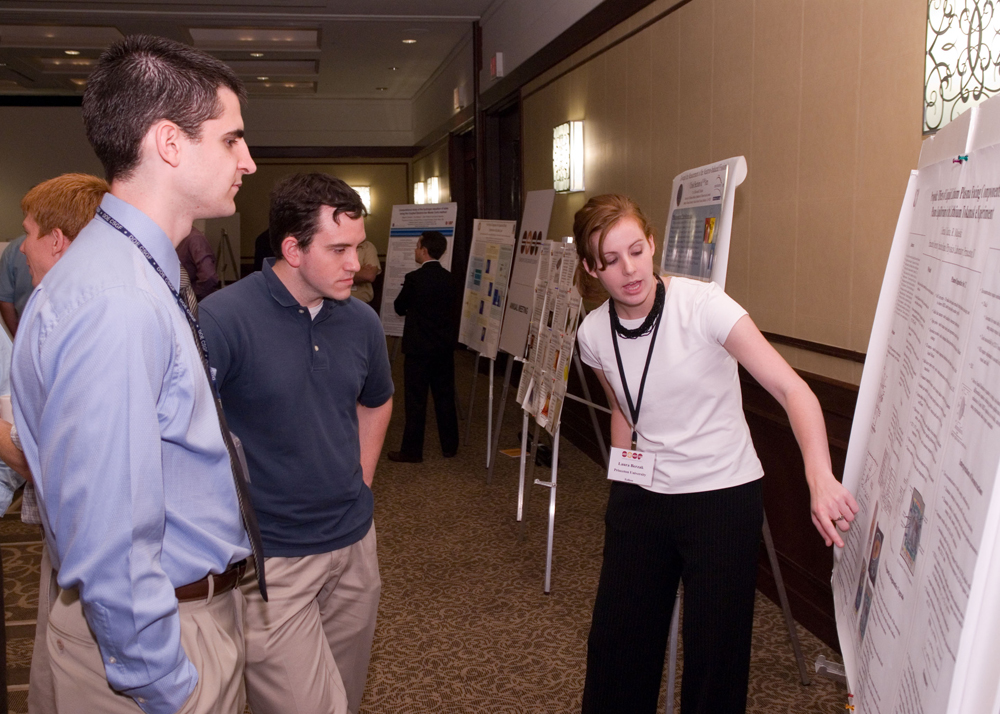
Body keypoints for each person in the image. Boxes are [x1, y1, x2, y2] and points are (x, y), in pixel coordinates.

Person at [10, 35, 265, 714]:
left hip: (182, 621)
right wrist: (168, 686)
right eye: (232, 139)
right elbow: (110, 537)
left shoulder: (136, 267)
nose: (248, 160)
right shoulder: (117, 299)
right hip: (154, 655)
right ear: (169, 144)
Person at [572, 194, 858, 714]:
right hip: (642, 497)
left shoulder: (705, 306)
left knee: (715, 658)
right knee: (618, 646)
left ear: (652, 243)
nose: (629, 269)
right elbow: (624, 410)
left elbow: (795, 392)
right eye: (610, 261)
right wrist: (623, 486)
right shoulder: (592, 335)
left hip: (721, 498)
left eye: (636, 250)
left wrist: (819, 476)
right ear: (592, 268)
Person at [200, 173, 393, 714]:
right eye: (339, 249)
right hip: (273, 560)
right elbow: (181, 430)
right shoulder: (223, 319)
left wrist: (362, 477)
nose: (356, 263)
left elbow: (376, 401)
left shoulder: (361, 322)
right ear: (292, 248)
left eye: (357, 246)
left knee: (344, 698)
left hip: (354, 546)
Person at [0, 173, 109, 714]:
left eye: (28, 232)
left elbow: (60, 462)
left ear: (58, 240)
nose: (21, 247)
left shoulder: (75, 321)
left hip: (92, 548)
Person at [388, 230, 459, 463]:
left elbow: (399, 307)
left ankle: (412, 451)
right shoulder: (451, 279)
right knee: (445, 396)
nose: (415, 250)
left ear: (425, 250)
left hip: (418, 350)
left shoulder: (414, 279)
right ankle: (450, 447)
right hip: (443, 350)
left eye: (417, 246)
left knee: (416, 399)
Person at [0, 234, 33, 336]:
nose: (23, 249)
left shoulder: (14, 248)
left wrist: (18, 337)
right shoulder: (15, 248)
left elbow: (5, 300)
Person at [176, 225, 220, 300]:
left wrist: (191, 295)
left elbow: (209, 276)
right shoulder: (176, 238)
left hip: (193, 302)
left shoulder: (195, 239)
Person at [351, 239, 382, 304]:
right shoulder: (331, 246)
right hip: (332, 303)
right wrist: (360, 270)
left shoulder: (367, 246)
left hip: (361, 304)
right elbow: (326, 275)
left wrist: (338, 273)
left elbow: (368, 275)